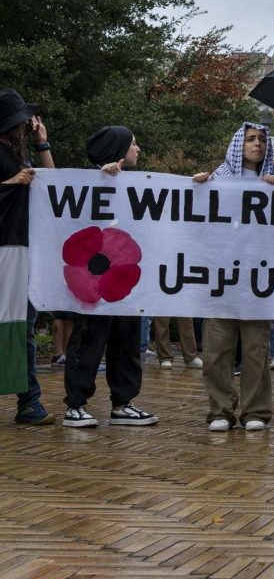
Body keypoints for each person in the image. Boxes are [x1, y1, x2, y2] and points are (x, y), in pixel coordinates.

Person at [63, 126, 157, 428]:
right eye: (133, 143)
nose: (138, 149)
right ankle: (75, 404)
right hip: (94, 281)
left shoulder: (138, 184)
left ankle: (123, 402)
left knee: (126, 340)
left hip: (125, 281)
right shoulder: (88, 184)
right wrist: (101, 178)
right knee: (90, 339)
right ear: (118, 149)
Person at [192, 123, 274, 431]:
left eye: (262, 140)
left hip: (256, 276)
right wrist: (198, 186)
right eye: (251, 139)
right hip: (220, 273)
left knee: (256, 348)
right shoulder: (216, 180)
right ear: (238, 145)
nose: (257, 145)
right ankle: (220, 411)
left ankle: (256, 410)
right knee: (216, 346)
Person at [0, 89, 55, 425]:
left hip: (21, 251)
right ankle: (28, 400)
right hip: (6, 252)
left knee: (23, 327)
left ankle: (29, 400)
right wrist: (11, 182)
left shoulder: (19, 153)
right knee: (19, 327)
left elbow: (53, 184)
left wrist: (43, 144)